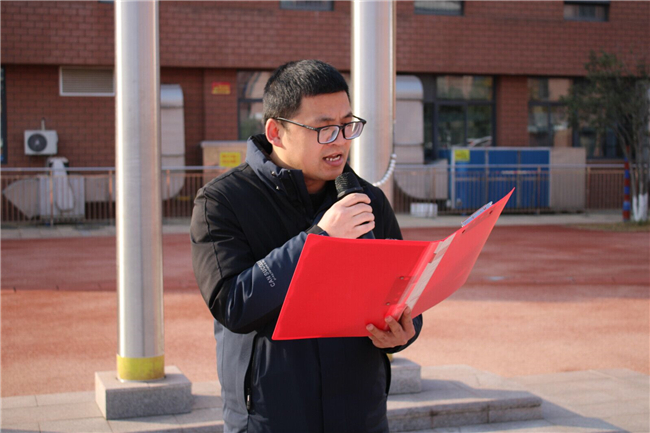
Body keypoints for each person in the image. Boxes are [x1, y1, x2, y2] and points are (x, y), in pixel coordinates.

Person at [191, 59, 422, 433]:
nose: (341, 141)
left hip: (361, 415)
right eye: (324, 129)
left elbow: (404, 294)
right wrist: (320, 239)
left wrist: (404, 332)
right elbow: (233, 304)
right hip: (270, 417)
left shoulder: (366, 200)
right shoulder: (222, 201)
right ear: (276, 132)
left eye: (347, 125)